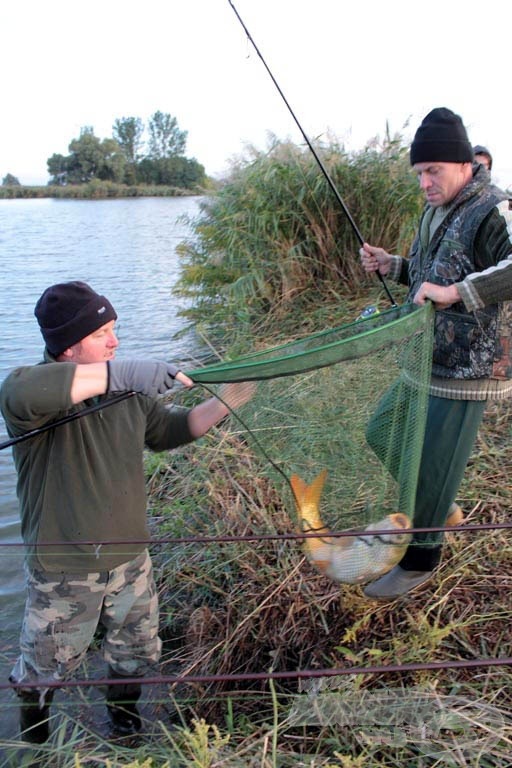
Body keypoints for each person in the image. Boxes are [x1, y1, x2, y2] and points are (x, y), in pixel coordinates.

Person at [0, 280, 254, 743]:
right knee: (43, 671)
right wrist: (132, 371)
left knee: (134, 656)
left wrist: (225, 402)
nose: (115, 341)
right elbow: (21, 391)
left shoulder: (129, 393)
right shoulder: (27, 396)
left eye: (115, 329)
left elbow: (172, 430)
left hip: (132, 562)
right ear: (69, 348)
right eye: (102, 334)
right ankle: (33, 745)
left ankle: (125, 728)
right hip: (65, 570)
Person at [360, 107, 512, 600]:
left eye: (433, 171)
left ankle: (420, 560)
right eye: (419, 173)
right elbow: (433, 272)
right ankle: (440, 506)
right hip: (424, 357)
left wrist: (456, 295)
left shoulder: (494, 207)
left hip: (470, 366)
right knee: (383, 431)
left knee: (432, 466)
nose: (425, 182)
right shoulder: (435, 209)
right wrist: (395, 265)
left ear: (465, 164)